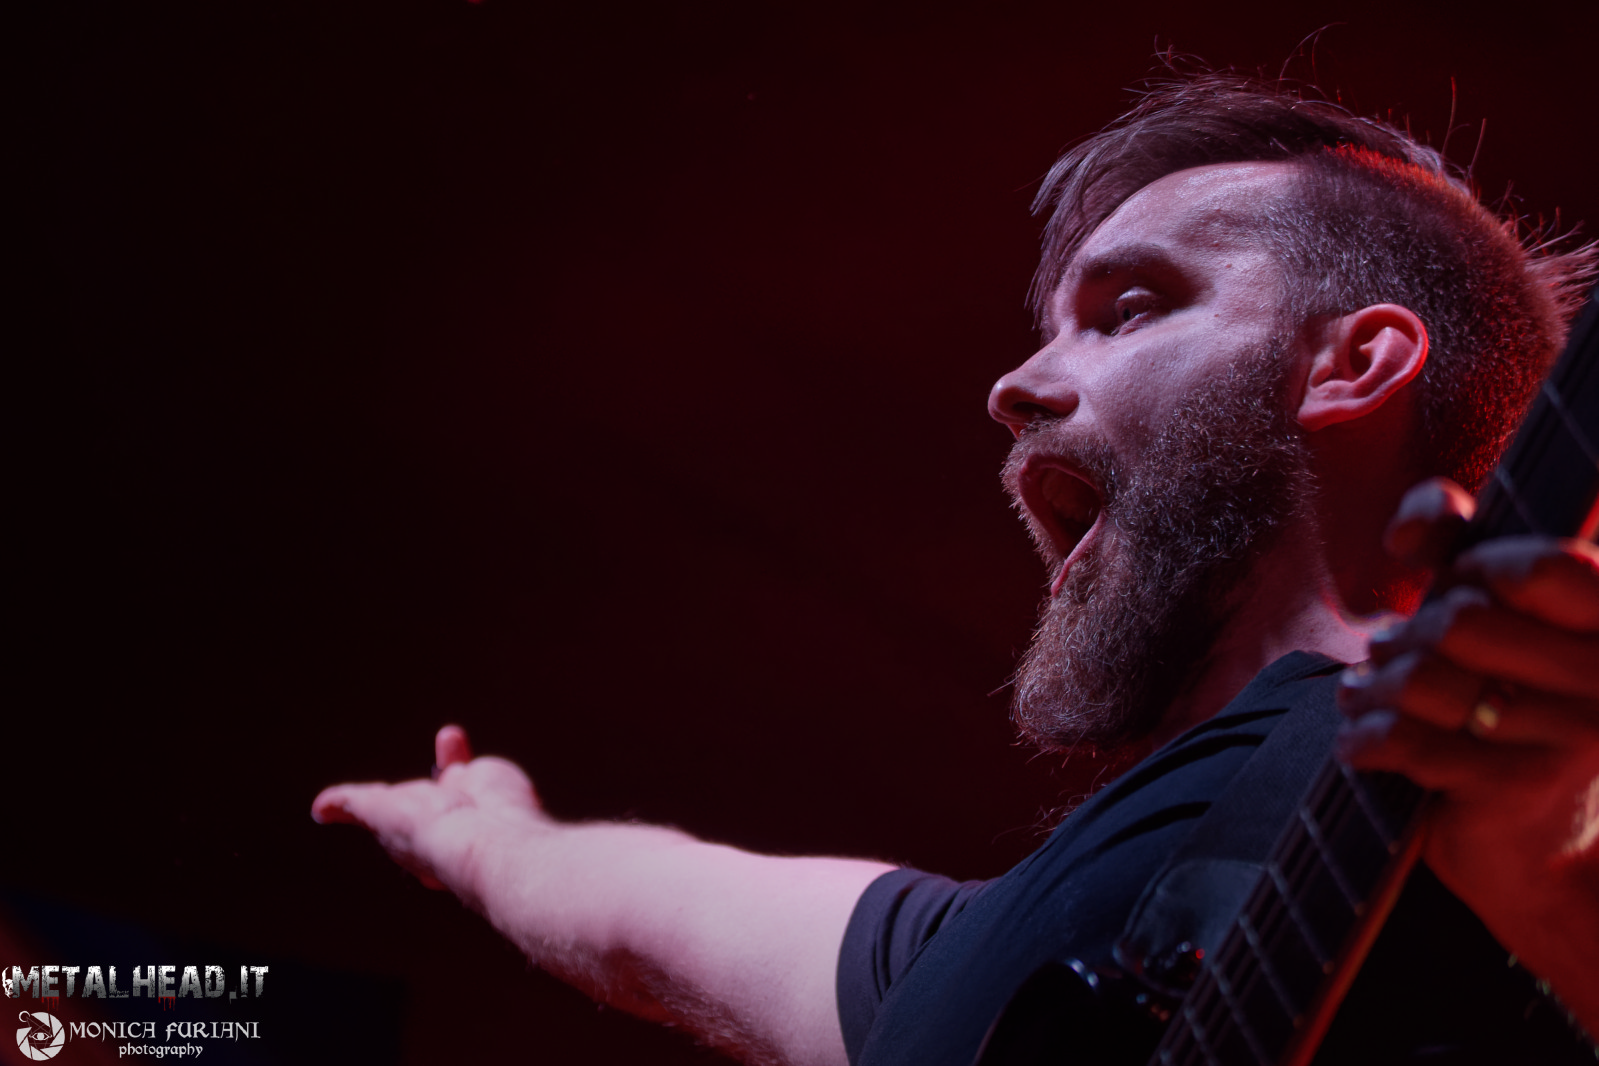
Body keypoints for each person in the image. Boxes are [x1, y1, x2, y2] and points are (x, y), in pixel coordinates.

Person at [313, 71, 1599, 1065]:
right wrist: (487, 839)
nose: (1014, 387)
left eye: (1128, 309)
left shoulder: (1544, 791)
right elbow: (635, 920)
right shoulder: (977, 957)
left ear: (1354, 364)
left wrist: (1558, 897)